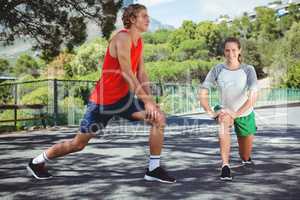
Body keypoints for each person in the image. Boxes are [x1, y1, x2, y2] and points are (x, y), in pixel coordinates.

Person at [27, 4, 176, 183]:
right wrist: (148, 101)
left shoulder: (139, 42)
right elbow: (127, 72)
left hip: (123, 100)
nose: (148, 19)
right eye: (144, 16)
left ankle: (153, 169)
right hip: (102, 103)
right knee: (78, 144)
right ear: (132, 19)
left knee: (158, 118)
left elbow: (141, 72)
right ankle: (37, 162)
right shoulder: (123, 38)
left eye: (148, 16)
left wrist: (151, 101)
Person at [199, 37, 258, 181]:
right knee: (223, 121)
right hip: (225, 110)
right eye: (227, 50)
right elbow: (203, 92)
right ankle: (225, 166)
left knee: (245, 156)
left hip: (244, 112)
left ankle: (245, 156)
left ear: (239, 51)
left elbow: (253, 97)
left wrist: (236, 114)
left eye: (233, 50)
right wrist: (211, 113)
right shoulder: (217, 69)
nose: (230, 53)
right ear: (224, 52)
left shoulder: (248, 70)